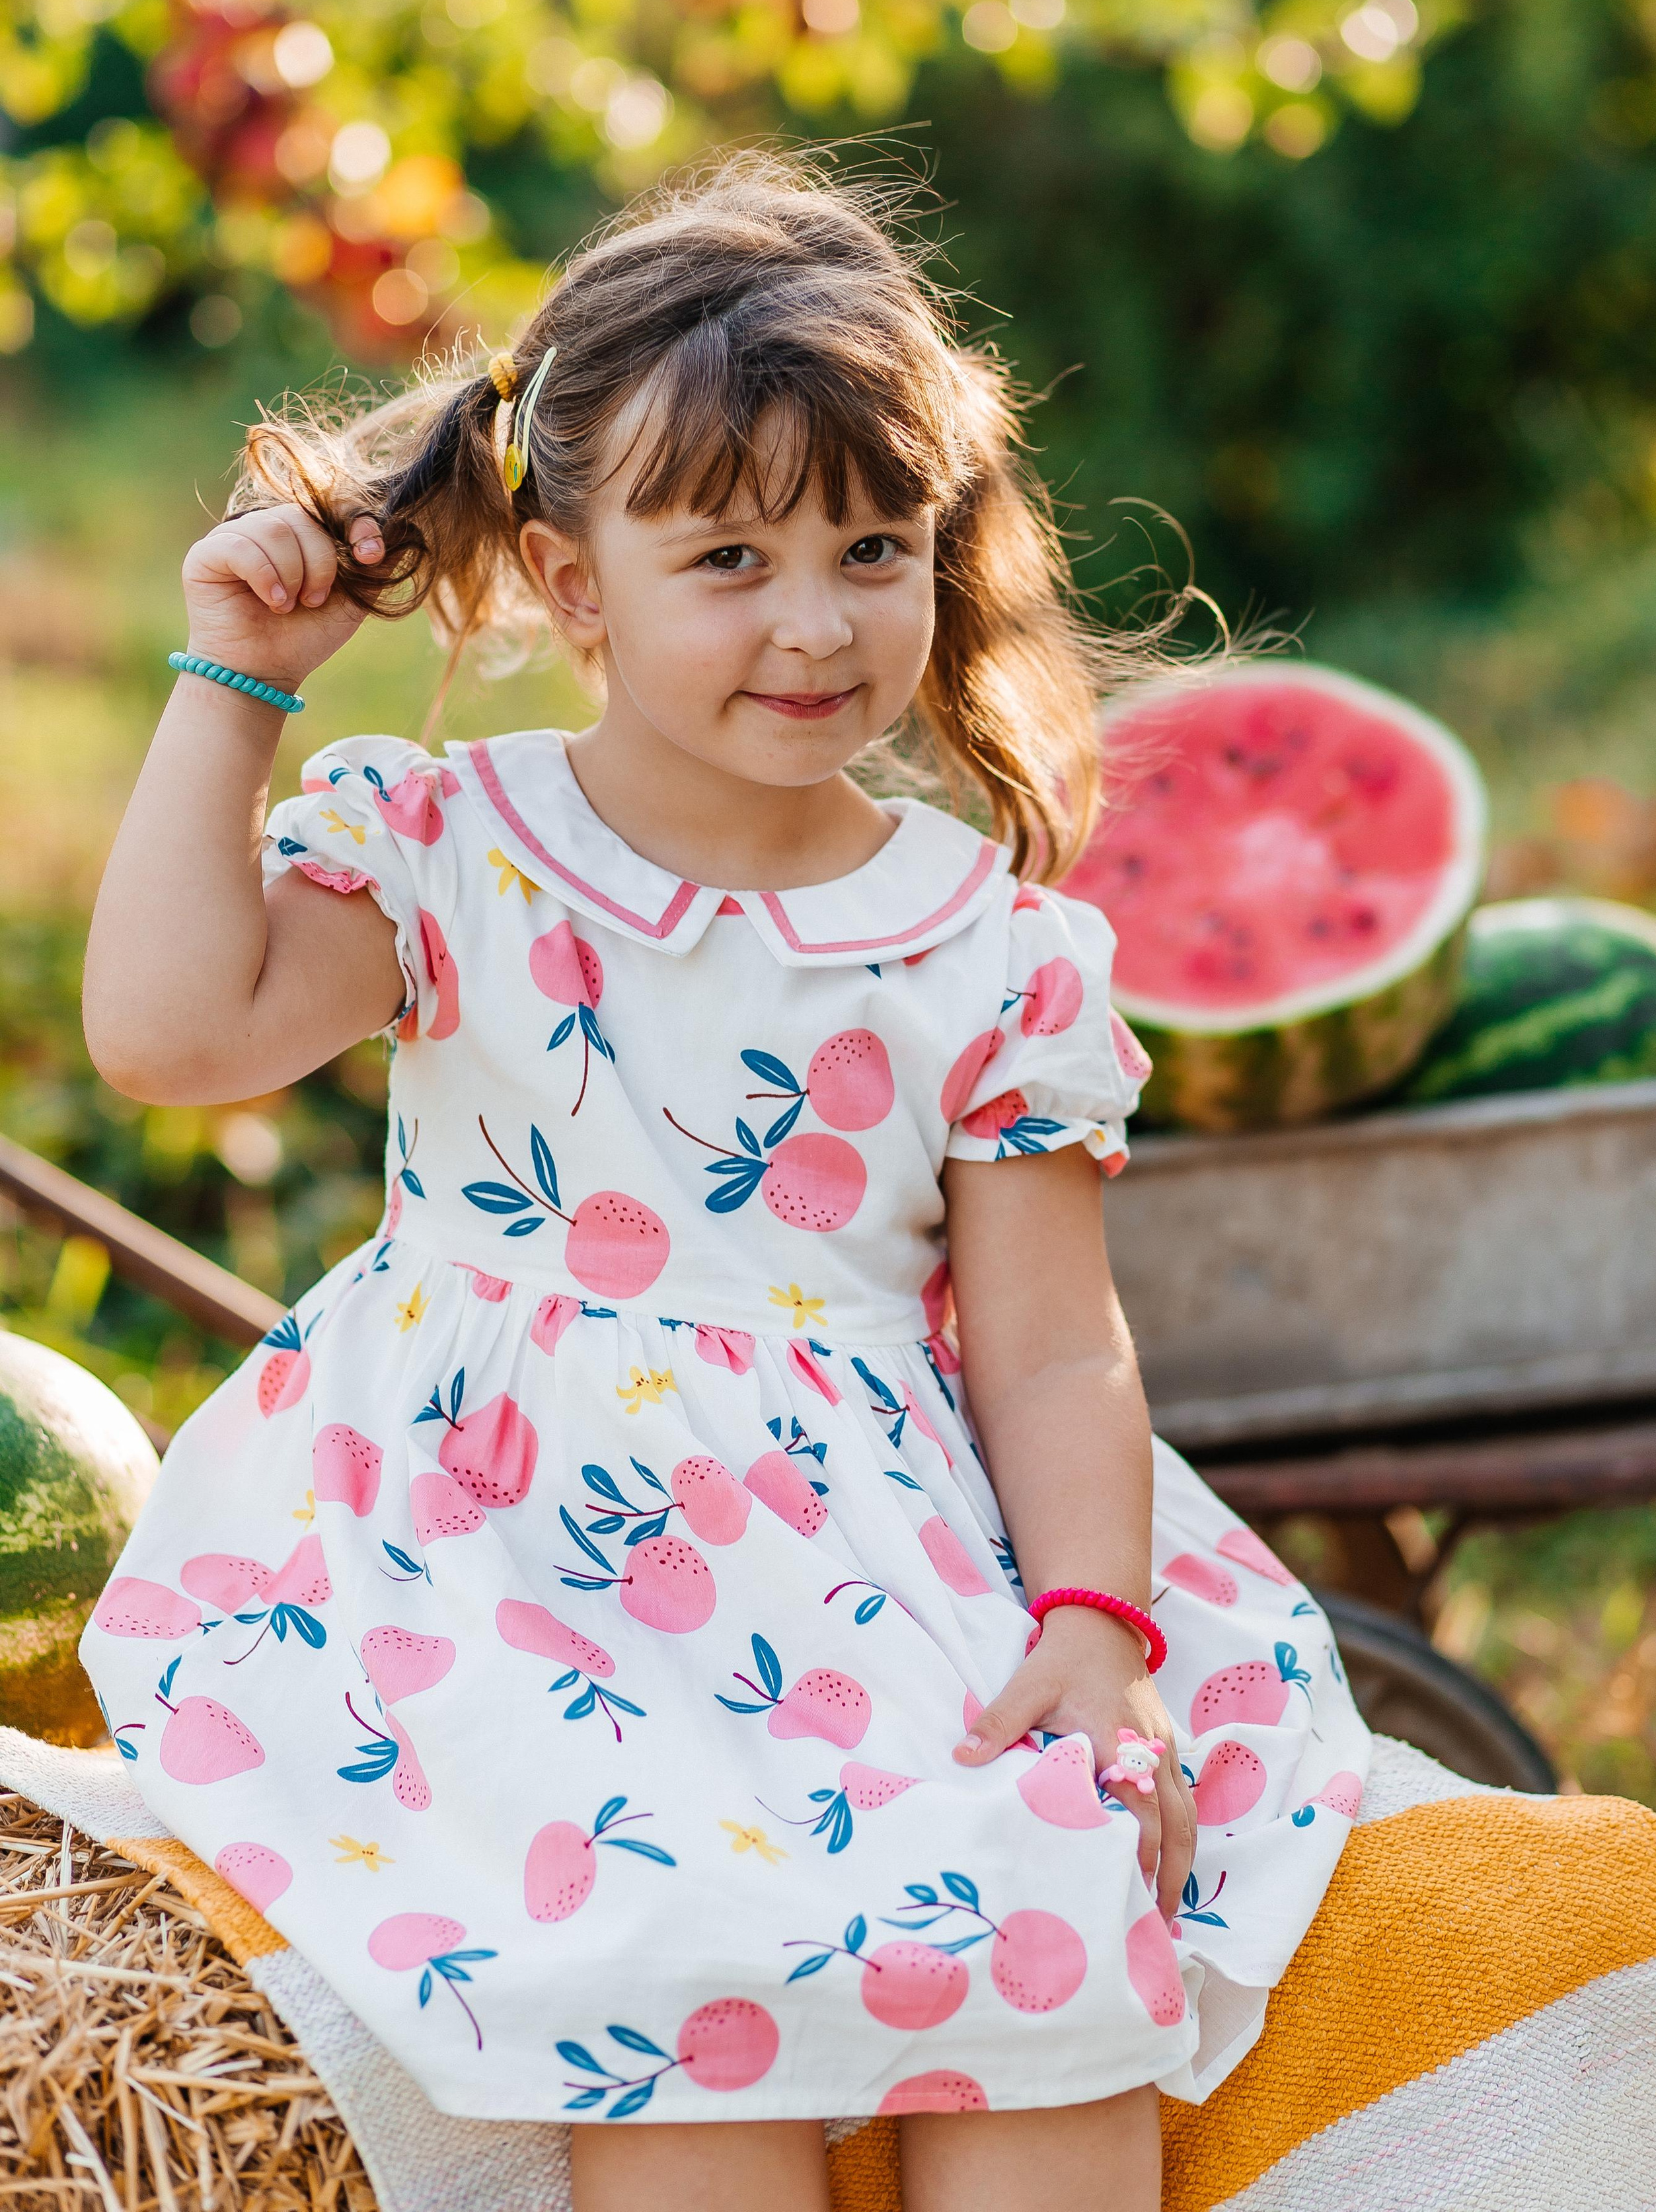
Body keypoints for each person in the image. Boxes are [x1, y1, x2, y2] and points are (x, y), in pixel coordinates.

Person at [81, 156, 1369, 2212]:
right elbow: (169, 1037)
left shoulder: (986, 944)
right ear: (577, 581)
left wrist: (1097, 1623)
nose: (815, 620)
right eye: (731, 557)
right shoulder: (456, 852)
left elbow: (1051, 1352)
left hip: (874, 1555)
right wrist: (233, 682)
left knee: (1052, 1981)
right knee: (671, 1998)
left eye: (876, 547)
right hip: (498, 1558)